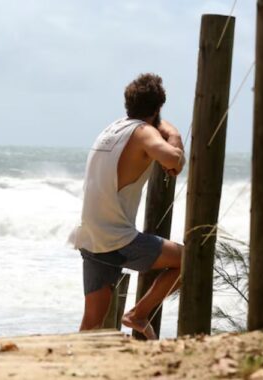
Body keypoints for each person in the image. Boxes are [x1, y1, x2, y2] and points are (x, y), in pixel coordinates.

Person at [69, 73, 185, 339]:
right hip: (118, 240)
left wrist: (159, 125)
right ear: (157, 109)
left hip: (90, 236)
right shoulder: (144, 133)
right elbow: (174, 160)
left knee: (90, 325)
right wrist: (175, 136)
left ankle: (69, 365)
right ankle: (138, 314)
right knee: (187, 261)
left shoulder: (114, 128)